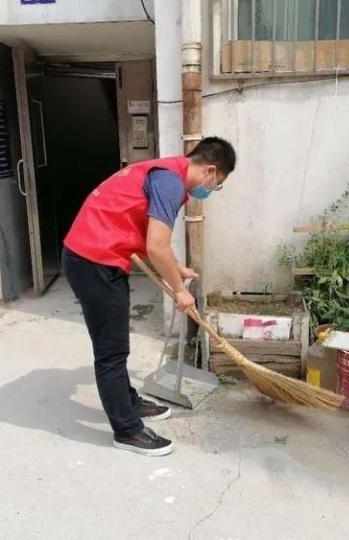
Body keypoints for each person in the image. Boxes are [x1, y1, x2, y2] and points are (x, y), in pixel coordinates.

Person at [62, 137, 237, 456]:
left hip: (93, 255)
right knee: (111, 352)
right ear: (210, 171)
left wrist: (174, 269)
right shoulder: (170, 183)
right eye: (218, 184)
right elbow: (157, 246)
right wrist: (180, 292)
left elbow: (147, 237)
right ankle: (127, 430)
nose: (212, 190)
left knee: (116, 346)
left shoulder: (165, 171)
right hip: (93, 261)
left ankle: (128, 403)